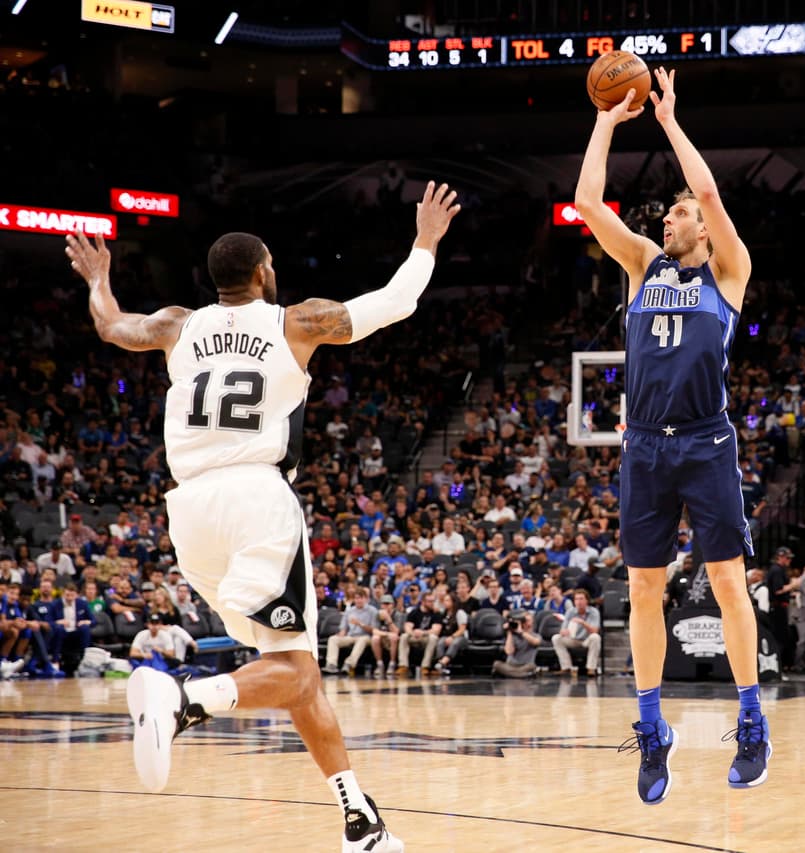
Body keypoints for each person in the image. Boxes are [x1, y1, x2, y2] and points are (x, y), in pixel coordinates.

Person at [67, 180, 459, 853]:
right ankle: (182, 700)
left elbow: (111, 325)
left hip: (188, 510)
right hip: (256, 499)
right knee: (299, 672)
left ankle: (358, 817)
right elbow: (394, 303)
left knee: (291, 670)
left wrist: (99, 279)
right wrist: (425, 240)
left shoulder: (174, 325)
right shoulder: (294, 321)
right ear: (260, 272)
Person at [575, 66, 769, 803]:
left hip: (707, 440)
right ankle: (653, 731)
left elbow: (713, 194)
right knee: (644, 588)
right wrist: (605, 119)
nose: (670, 220)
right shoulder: (639, 265)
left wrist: (667, 121)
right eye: (669, 214)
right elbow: (587, 201)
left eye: (679, 214)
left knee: (725, 581)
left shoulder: (729, 273)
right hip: (644, 445)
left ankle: (752, 720)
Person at [552, 589, 602, 676]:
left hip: (587, 640)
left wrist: (582, 623)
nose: (579, 601)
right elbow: (562, 630)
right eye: (576, 599)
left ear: (587, 600)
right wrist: (564, 632)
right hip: (573, 639)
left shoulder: (594, 612)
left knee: (595, 637)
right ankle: (566, 667)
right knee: (556, 638)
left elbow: (595, 631)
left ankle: (591, 668)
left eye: (581, 599)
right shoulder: (570, 611)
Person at [492, 610, 540, 678]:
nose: (525, 622)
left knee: (532, 666)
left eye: (527, 620)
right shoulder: (513, 635)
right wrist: (509, 632)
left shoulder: (535, 635)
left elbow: (536, 642)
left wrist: (521, 632)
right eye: (524, 620)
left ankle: (510, 674)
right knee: (496, 664)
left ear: (532, 622)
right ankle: (522, 675)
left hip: (525, 666)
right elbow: (509, 651)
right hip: (511, 665)